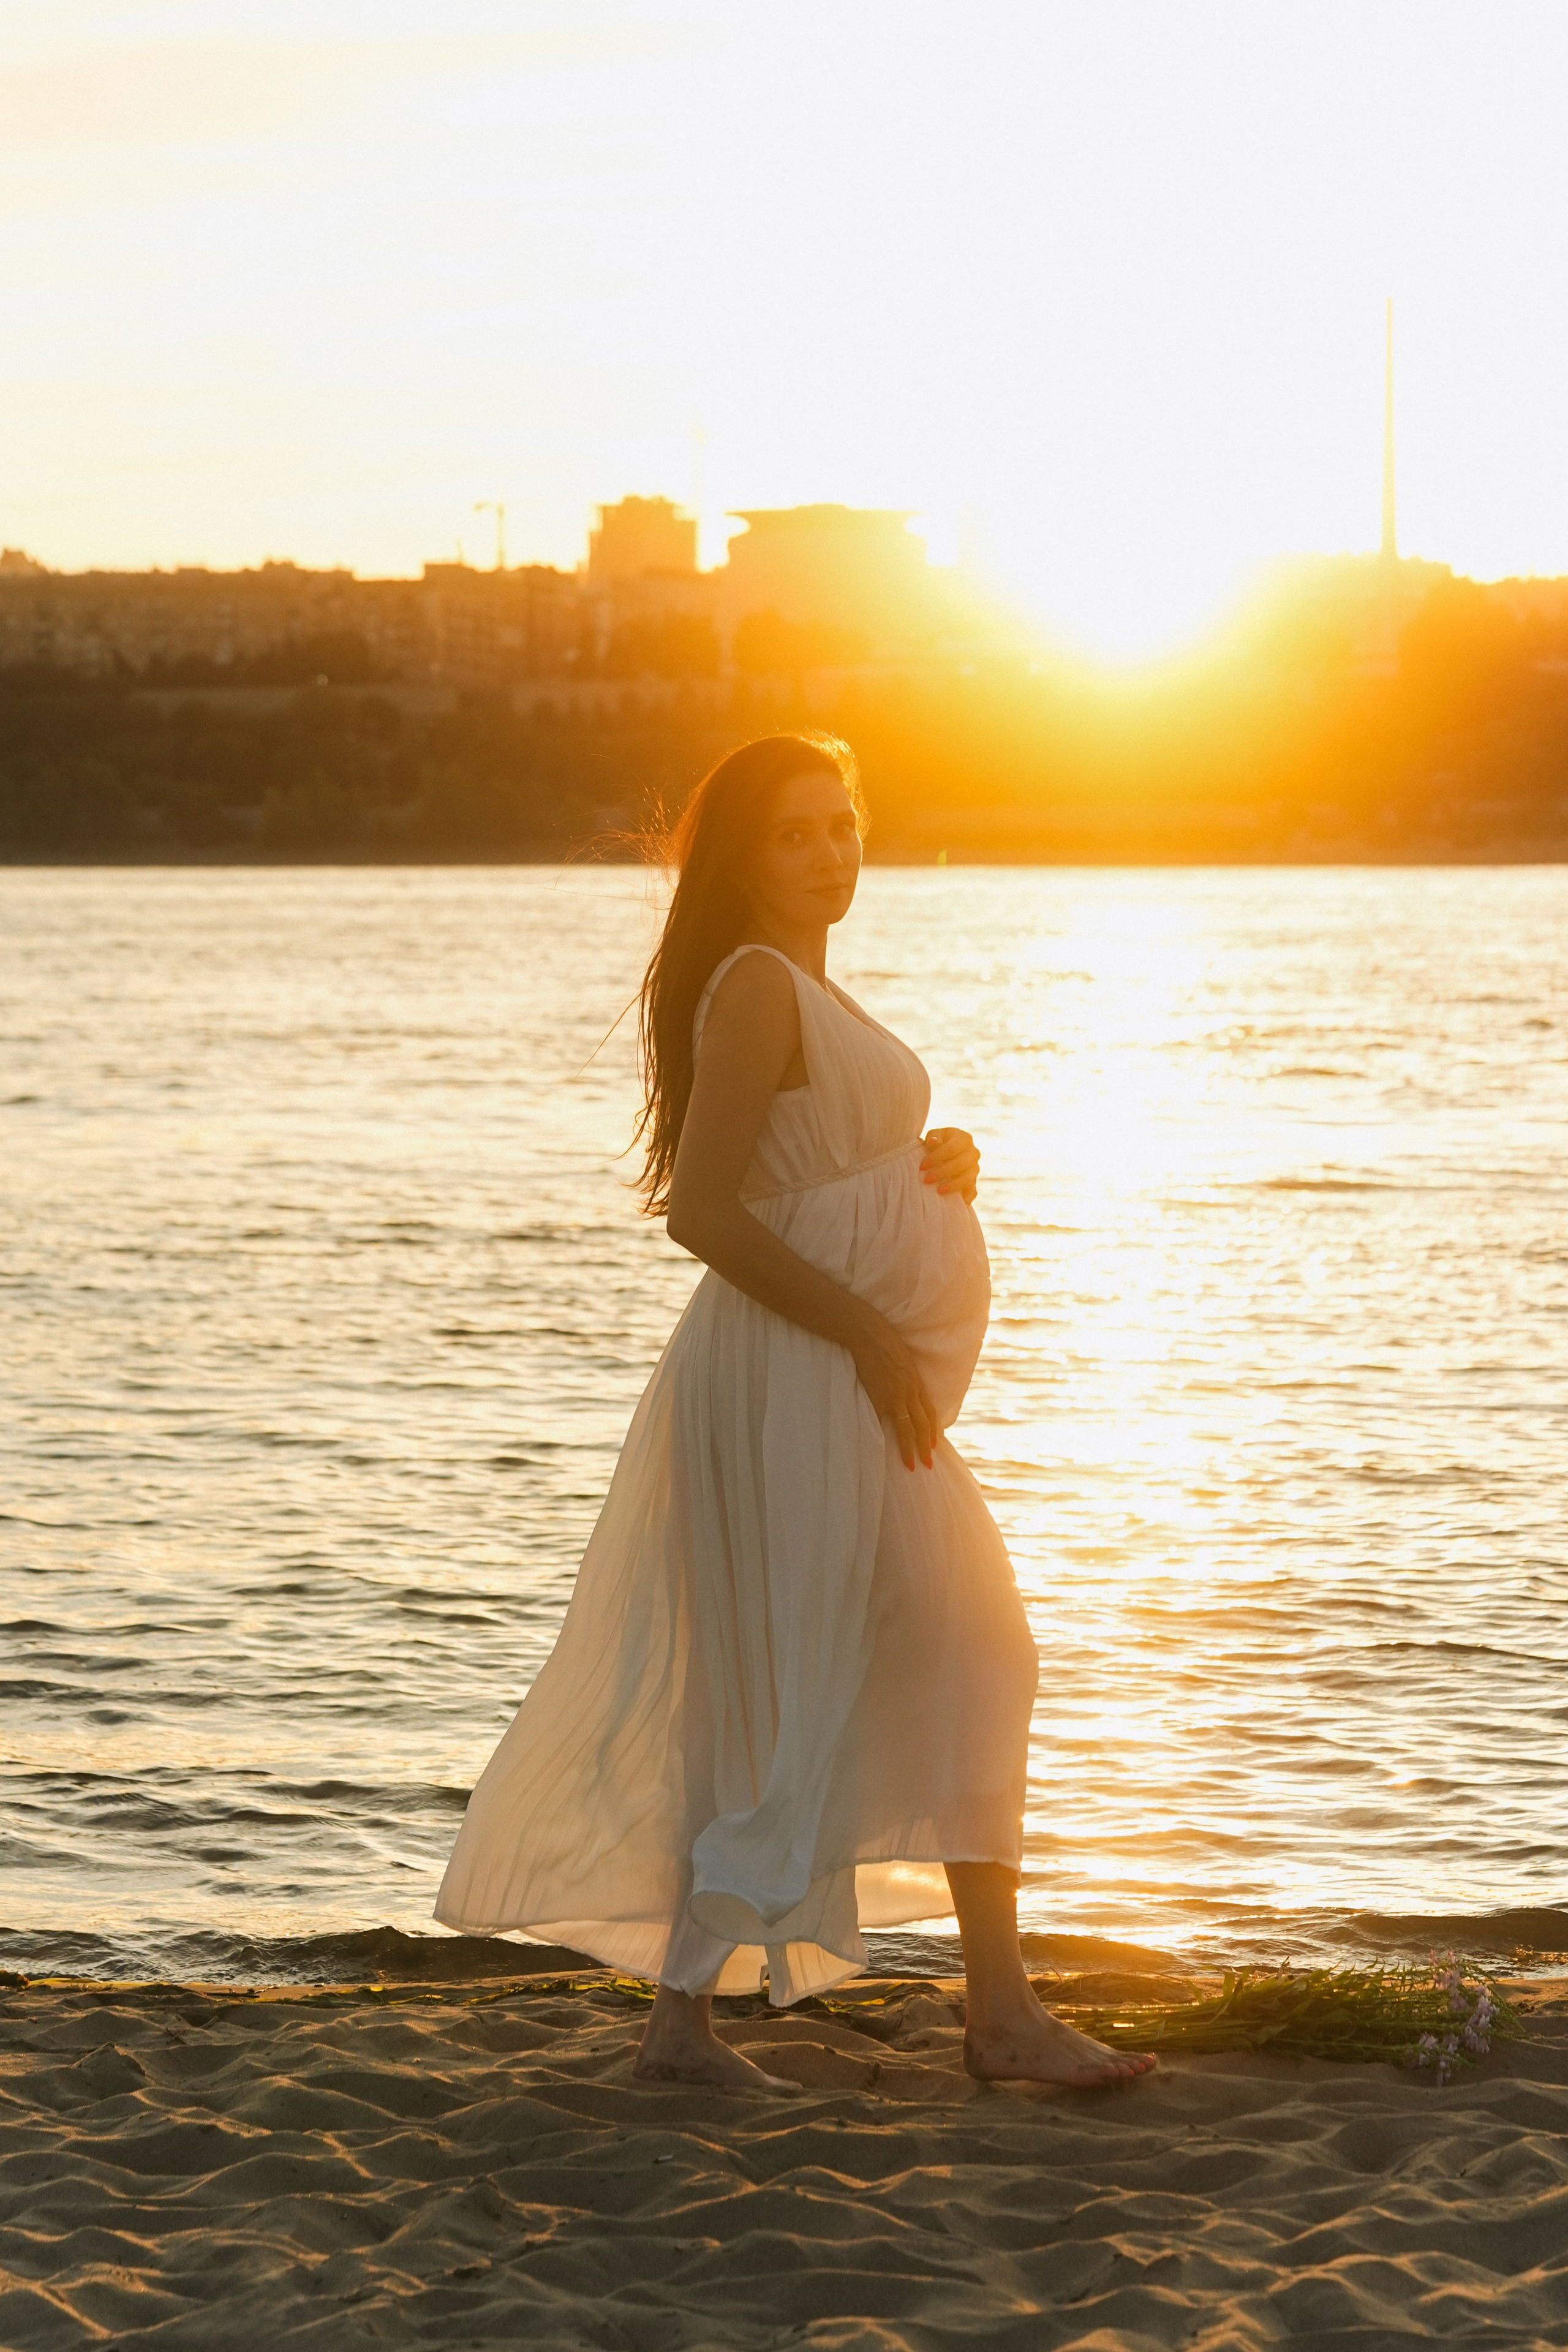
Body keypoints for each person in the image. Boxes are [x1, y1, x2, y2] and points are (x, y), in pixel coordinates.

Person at [435, 731, 1153, 2091]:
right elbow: (701, 1214)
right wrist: (869, 1326)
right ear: (741, 859)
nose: (831, 851)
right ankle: (905, 2021)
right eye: (796, 832)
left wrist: (935, 1163)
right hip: (792, 1369)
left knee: (941, 1649)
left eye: (843, 824)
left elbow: (818, 1174)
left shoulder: (808, 990)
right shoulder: (759, 985)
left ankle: (763, 2026)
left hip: (829, 1369)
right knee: (894, 1656)